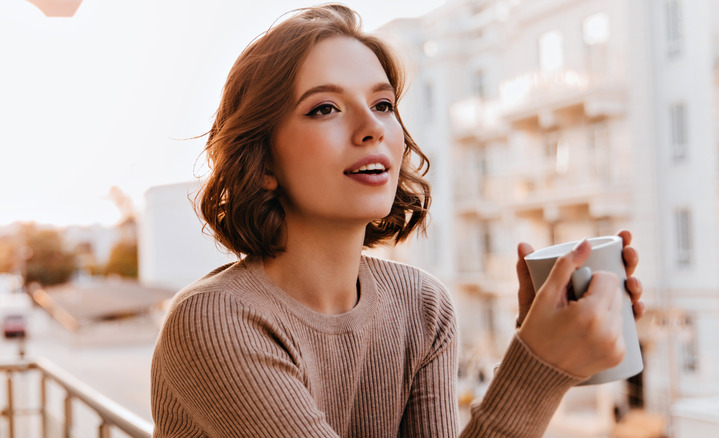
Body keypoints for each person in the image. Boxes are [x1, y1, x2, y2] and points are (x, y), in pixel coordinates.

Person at [150, 4, 645, 437]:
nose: (372, 128)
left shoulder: (422, 305)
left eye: (383, 104)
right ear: (262, 165)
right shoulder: (213, 321)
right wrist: (538, 368)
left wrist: (544, 345)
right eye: (325, 108)